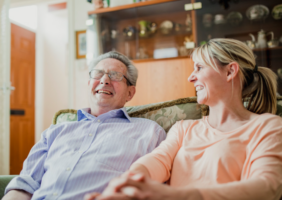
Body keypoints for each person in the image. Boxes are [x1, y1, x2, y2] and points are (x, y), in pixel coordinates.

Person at [86, 38, 282, 200]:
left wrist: (174, 195)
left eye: (199, 68)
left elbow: (267, 186)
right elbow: (156, 161)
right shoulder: (184, 128)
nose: (190, 77)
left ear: (230, 71)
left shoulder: (267, 126)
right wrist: (128, 185)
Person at [3, 51, 166, 200]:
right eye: (98, 74)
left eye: (115, 75)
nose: (104, 80)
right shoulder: (55, 131)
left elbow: (157, 189)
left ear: (130, 93)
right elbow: (24, 185)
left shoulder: (150, 132)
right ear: (89, 84)